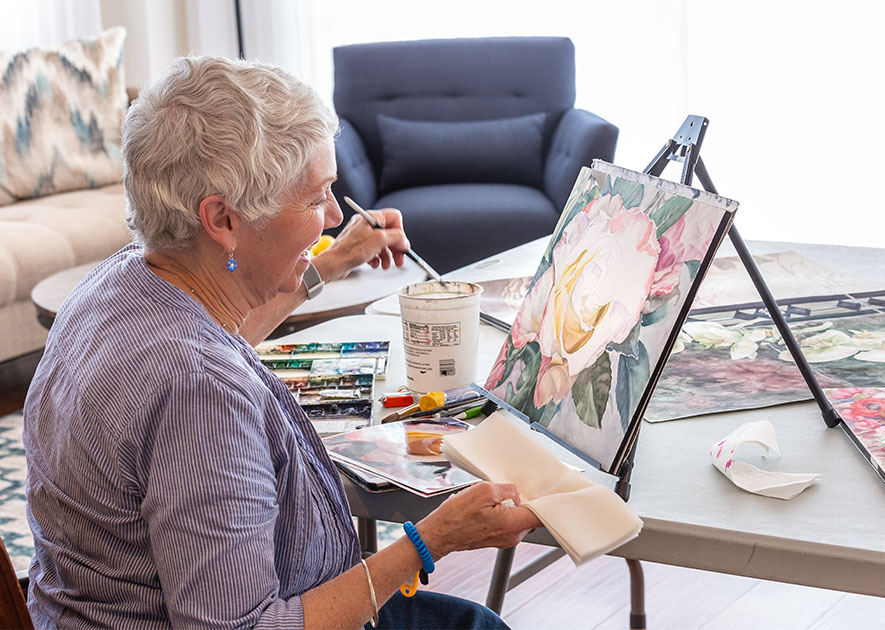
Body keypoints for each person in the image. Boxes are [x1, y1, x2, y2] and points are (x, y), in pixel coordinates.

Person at [22, 55, 541, 629]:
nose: (331, 215)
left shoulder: (118, 284)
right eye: (316, 196)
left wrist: (338, 258)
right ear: (222, 218)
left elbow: (221, 325)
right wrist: (432, 540)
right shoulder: (198, 395)